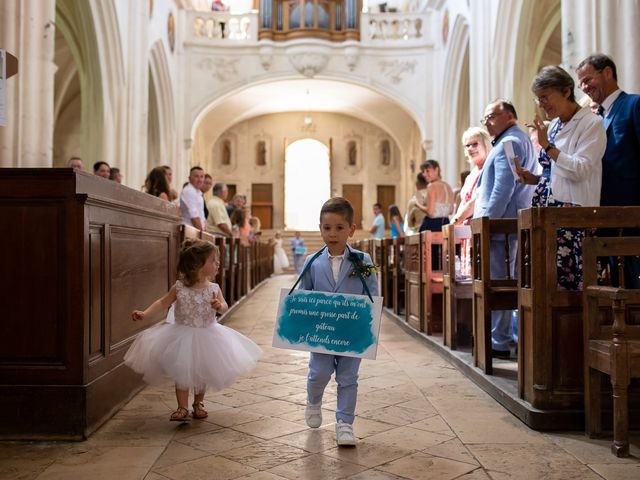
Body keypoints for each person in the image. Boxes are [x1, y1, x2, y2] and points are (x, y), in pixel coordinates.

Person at [124, 239, 262, 422]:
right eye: (214, 260)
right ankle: (182, 407)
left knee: (201, 370)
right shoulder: (179, 287)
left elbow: (225, 307)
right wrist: (145, 312)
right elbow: (163, 302)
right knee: (182, 371)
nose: (218, 264)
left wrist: (219, 305)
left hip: (207, 334)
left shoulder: (214, 288)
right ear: (198, 264)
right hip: (182, 334)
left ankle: (198, 404)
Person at [516, 65, 606, 291]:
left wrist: (547, 145)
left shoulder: (591, 124)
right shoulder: (555, 125)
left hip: (573, 216)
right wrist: (534, 179)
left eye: (545, 97)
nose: (541, 104)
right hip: (547, 213)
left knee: (572, 285)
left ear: (566, 91)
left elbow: (580, 169)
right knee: (546, 282)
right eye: (538, 99)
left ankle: (574, 327)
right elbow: (555, 171)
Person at [297, 197, 378, 446]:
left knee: (348, 377)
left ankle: (344, 424)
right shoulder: (311, 261)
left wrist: (370, 327)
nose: (333, 234)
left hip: (351, 331)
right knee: (319, 372)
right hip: (321, 331)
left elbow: (372, 294)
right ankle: (313, 401)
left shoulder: (362, 261)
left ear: (351, 229)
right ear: (320, 228)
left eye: (339, 228)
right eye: (327, 228)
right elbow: (303, 295)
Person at [473, 100, 537, 359]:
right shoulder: (513, 140)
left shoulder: (509, 142)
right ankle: (506, 337)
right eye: (484, 118)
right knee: (509, 283)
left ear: (509, 115)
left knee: (501, 284)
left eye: (491, 116)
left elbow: (502, 189)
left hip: (501, 229)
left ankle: (499, 341)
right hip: (508, 226)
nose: (487, 122)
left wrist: (486, 222)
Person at [576, 53, 640, 288]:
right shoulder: (597, 118)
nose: (584, 87)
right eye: (581, 83)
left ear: (607, 73)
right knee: (619, 288)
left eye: (588, 79)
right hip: (606, 215)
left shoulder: (634, 105)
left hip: (632, 213)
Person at [451, 127, 492, 225]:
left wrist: (456, 221)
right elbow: (464, 202)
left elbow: (476, 200)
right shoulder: (471, 175)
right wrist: (457, 222)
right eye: (467, 145)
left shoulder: (489, 169)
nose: (470, 148)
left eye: (475, 144)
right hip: (465, 228)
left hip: (481, 225)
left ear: (485, 145)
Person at [416, 159, 454, 232]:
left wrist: (418, 204)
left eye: (427, 171)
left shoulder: (431, 186)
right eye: (423, 172)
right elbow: (451, 211)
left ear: (436, 170)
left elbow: (430, 212)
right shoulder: (448, 187)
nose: (424, 174)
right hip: (446, 223)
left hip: (432, 225)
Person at [179, 166, 206, 231]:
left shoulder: (198, 192)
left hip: (196, 231)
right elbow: (194, 217)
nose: (200, 180)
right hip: (190, 232)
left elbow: (201, 216)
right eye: (196, 176)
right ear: (189, 178)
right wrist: (202, 235)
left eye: (202, 177)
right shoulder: (189, 191)